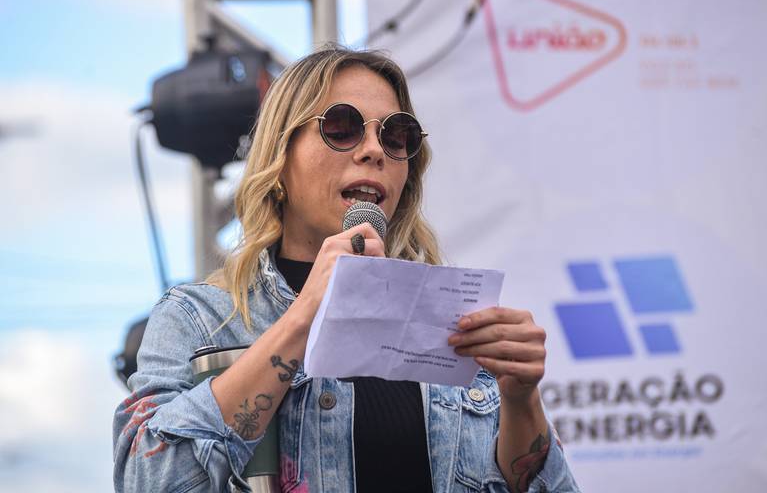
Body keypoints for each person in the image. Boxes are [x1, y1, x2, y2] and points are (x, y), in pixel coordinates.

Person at [113, 45, 581, 493]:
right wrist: (304, 315)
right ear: (280, 157)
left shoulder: (453, 323)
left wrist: (521, 398)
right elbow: (148, 481)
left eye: (395, 136)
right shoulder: (198, 318)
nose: (374, 151)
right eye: (342, 127)